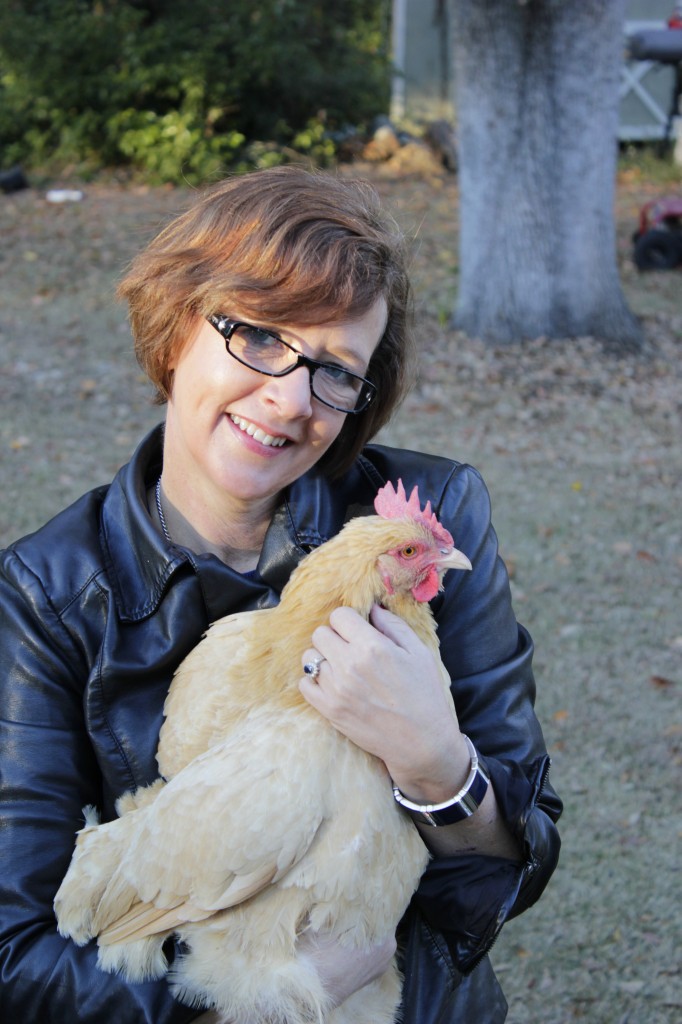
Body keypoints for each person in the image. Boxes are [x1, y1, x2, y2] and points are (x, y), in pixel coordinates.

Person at [0, 166, 561, 1023]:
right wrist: (261, 999)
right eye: (260, 336)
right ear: (179, 325)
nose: (291, 399)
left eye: (336, 371)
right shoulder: (48, 596)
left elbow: (519, 862)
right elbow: (16, 954)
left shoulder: (430, 523)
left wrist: (434, 763)